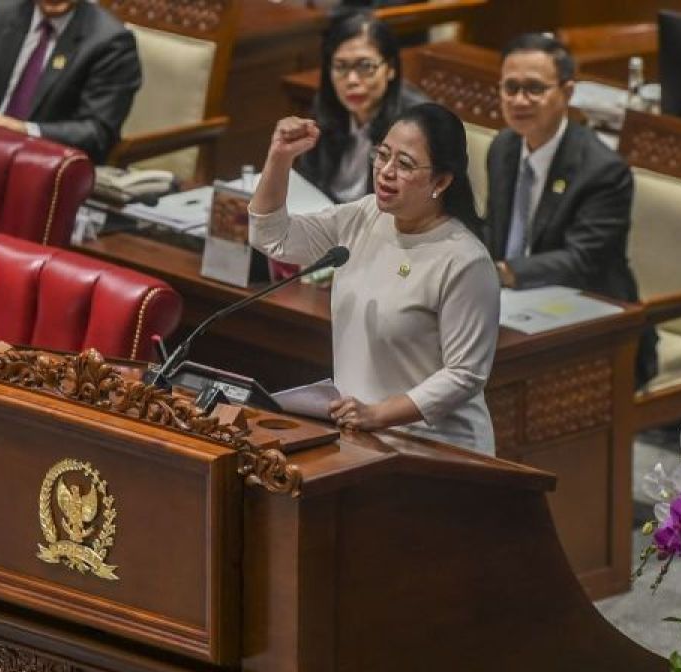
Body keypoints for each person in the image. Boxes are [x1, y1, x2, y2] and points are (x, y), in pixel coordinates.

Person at [250, 103, 500, 455]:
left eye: (405, 164)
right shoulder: (364, 217)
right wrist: (279, 158)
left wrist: (379, 414)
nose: (385, 172)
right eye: (382, 156)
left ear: (441, 181)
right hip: (361, 437)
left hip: (436, 449)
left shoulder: (464, 260)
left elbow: (465, 375)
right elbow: (273, 237)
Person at [485, 33, 657, 387]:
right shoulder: (503, 147)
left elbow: (582, 262)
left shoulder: (603, 169)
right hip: (512, 313)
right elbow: (494, 232)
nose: (519, 100)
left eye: (534, 88)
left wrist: (502, 272)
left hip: (596, 327)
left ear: (566, 92)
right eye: (510, 87)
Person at [0, 0, 141, 164]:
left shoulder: (110, 42)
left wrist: (27, 131)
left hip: (45, 169)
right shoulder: (0, 14)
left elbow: (97, 132)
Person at [295, 12, 428, 203]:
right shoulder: (326, 105)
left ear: (390, 68)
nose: (352, 80)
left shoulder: (416, 123)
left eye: (365, 67)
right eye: (340, 66)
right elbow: (308, 179)